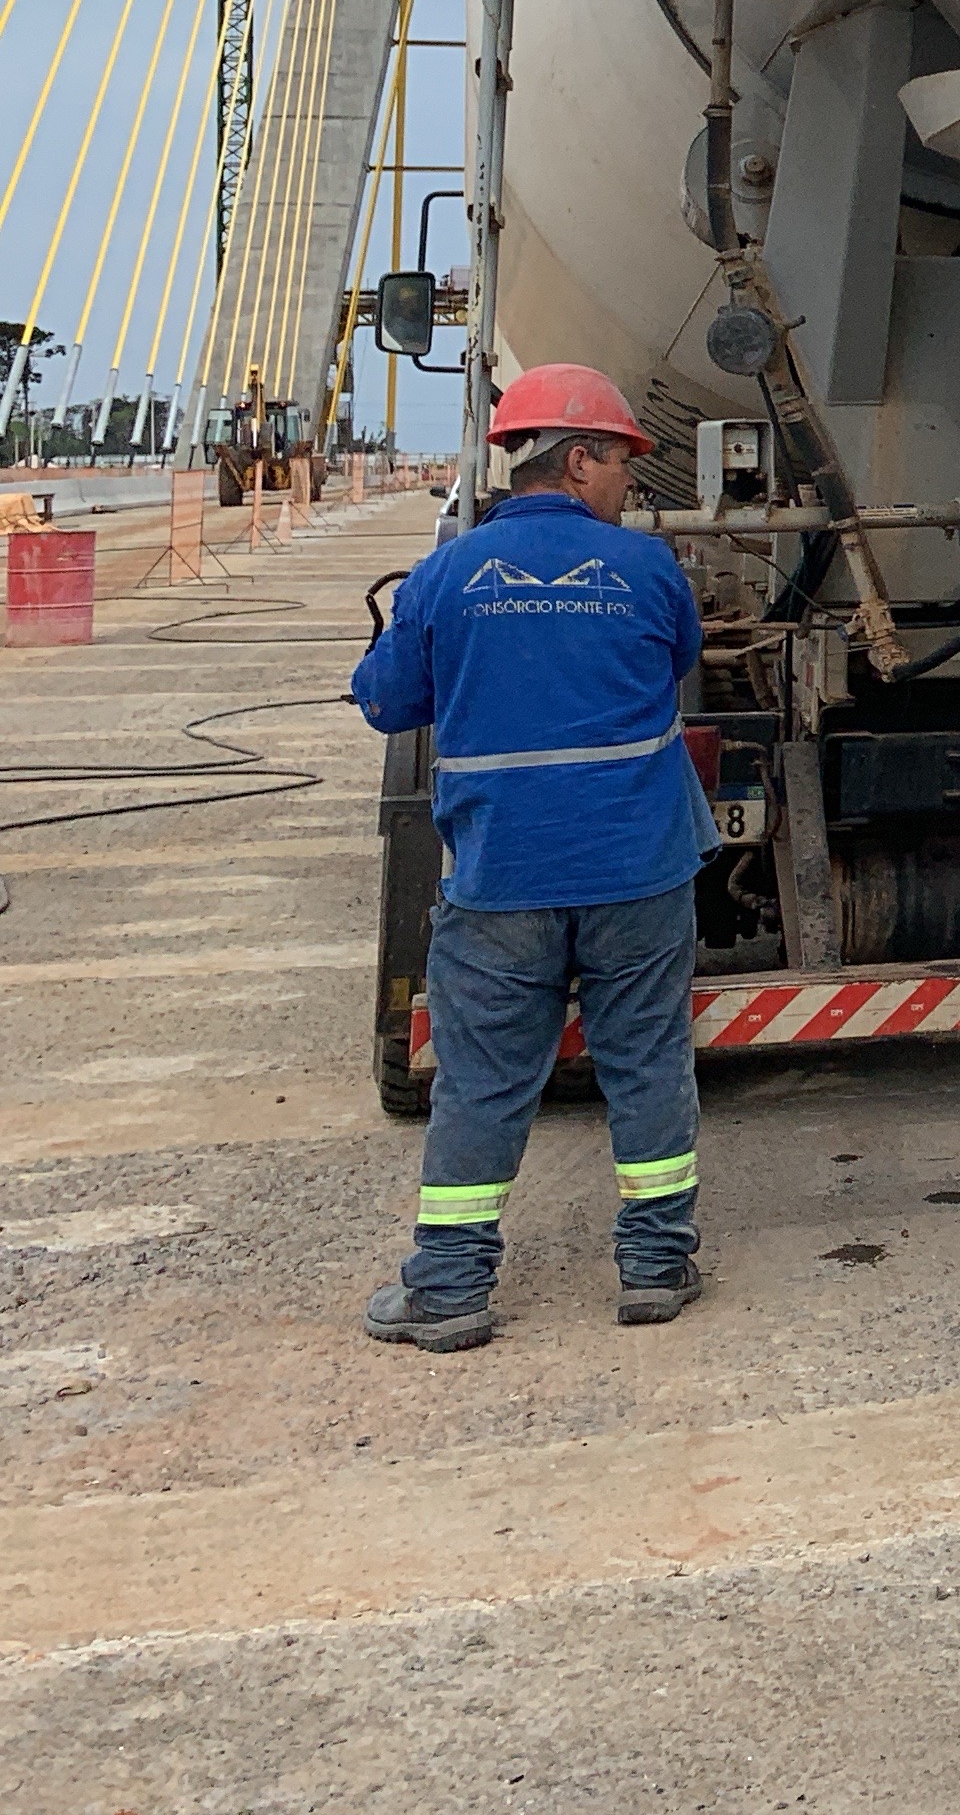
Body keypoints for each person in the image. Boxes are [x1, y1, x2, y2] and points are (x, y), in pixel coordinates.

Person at [354, 364, 713, 1352]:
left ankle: (449, 1290)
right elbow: (678, 660)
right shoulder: (646, 572)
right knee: (646, 1064)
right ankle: (652, 1269)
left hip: (502, 876)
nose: (629, 487)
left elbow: (386, 703)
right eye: (624, 467)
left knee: (483, 1084)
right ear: (580, 459)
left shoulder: (445, 575)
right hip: (637, 870)